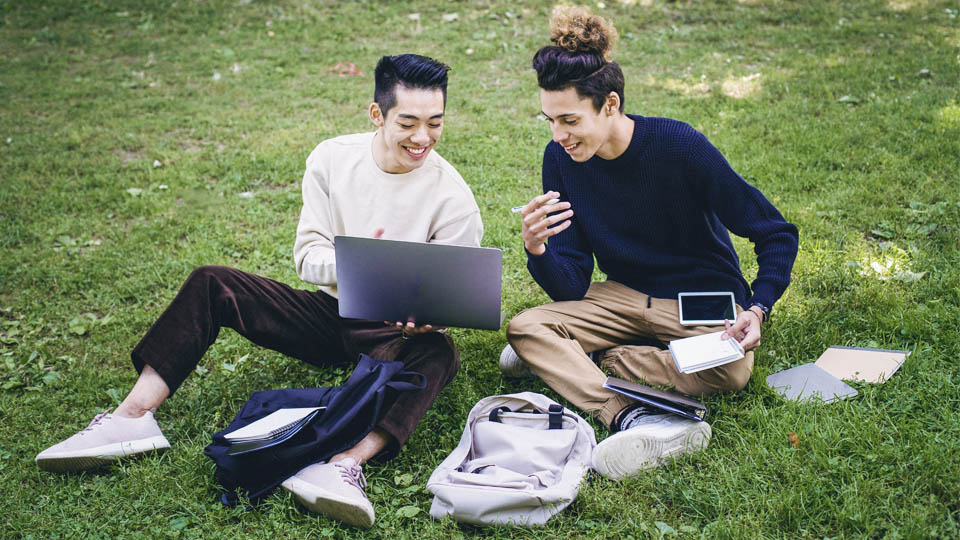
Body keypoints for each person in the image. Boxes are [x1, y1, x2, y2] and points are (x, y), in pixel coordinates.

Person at [35, 54, 483, 528]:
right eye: (408, 122)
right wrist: (362, 267)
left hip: (393, 331)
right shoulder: (332, 159)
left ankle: (343, 465)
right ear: (377, 114)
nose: (422, 138)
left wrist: (431, 316)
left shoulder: (453, 198)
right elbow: (308, 257)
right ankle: (132, 417)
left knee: (440, 352)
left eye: (435, 123)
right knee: (213, 281)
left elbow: (447, 296)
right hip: (329, 310)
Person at [502, 7, 799, 480]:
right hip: (621, 295)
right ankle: (627, 414)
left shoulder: (678, 145)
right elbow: (572, 283)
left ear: (611, 104)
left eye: (569, 120)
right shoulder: (560, 159)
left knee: (733, 372)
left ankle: (601, 356)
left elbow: (775, 232)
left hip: (700, 300)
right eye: (550, 121)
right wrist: (538, 250)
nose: (559, 135)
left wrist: (758, 308)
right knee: (525, 328)